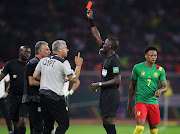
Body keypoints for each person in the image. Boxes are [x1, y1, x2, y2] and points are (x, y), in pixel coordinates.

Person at [33, 40, 83, 134]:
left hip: (42, 95)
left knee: (48, 125)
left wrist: (47, 80)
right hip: (55, 96)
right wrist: (78, 65)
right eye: (65, 47)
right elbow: (74, 80)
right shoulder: (63, 62)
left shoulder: (43, 60)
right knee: (64, 123)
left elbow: (35, 76)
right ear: (59, 49)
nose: (67, 50)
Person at [87, 9, 121, 134]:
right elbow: (97, 36)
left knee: (109, 122)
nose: (103, 44)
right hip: (105, 93)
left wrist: (99, 84)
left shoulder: (114, 59)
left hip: (112, 93)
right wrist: (91, 20)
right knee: (105, 122)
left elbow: (118, 79)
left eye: (105, 43)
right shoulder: (106, 55)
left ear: (110, 47)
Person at [127, 46, 167, 134]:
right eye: (151, 55)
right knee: (139, 128)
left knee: (154, 131)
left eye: (155, 55)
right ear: (145, 56)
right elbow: (132, 85)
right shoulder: (137, 67)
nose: (153, 57)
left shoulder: (160, 70)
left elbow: (165, 87)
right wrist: (129, 103)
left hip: (153, 101)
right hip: (141, 101)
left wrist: (160, 90)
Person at [18, 41, 51, 134]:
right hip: (33, 98)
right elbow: (31, 82)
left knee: (36, 127)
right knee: (38, 127)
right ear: (40, 51)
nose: (49, 51)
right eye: (47, 49)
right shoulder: (33, 63)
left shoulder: (40, 63)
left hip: (37, 98)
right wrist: (48, 83)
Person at [0, 46, 31, 134]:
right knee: (16, 122)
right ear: (20, 52)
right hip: (13, 97)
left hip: (25, 97)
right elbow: (1, 77)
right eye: (25, 52)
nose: (27, 54)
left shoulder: (30, 65)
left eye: (29, 52)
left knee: (22, 121)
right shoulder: (10, 64)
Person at [0, 64, 14, 134]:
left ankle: (10, 131)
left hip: (2, 97)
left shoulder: (1, 72)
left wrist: (7, 91)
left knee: (7, 115)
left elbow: (10, 80)